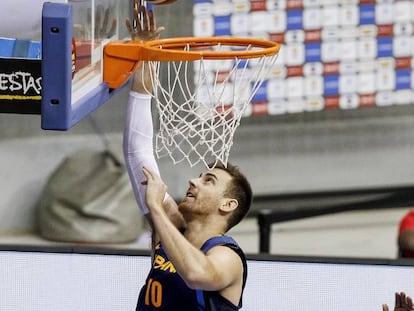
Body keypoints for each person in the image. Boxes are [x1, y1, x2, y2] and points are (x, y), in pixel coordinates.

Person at [123, 4, 252, 310]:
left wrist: (156, 207)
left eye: (209, 180)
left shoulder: (227, 256)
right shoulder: (170, 223)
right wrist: (145, 55)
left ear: (227, 204)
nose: (193, 180)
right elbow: (137, 150)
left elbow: (195, 274)